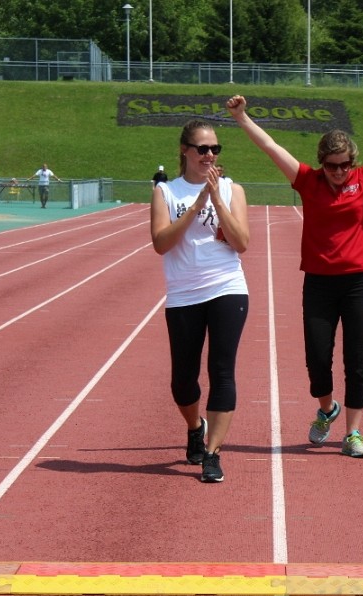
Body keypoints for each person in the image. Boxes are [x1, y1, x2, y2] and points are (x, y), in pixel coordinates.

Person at [225, 85, 363, 458]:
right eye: (331, 165)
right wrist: (241, 117)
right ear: (321, 162)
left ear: (353, 161)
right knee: (317, 357)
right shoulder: (307, 181)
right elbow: (271, 146)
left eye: (344, 164)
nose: (338, 171)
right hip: (318, 282)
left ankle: (353, 433)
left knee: (357, 357)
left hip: (359, 282)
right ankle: (326, 408)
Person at [150, 119, 250, 483]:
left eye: (215, 149)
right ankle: (195, 425)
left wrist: (218, 201)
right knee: (183, 381)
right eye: (203, 148)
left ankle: (212, 452)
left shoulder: (232, 189)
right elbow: (161, 243)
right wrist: (197, 204)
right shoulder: (166, 193)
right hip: (183, 292)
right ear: (185, 150)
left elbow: (241, 242)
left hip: (227, 286)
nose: (210, 155)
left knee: (221, 370)